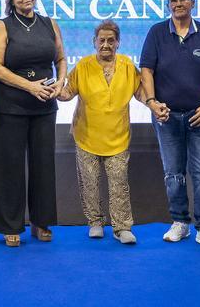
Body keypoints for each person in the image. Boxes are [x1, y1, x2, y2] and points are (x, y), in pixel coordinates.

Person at [139, 0, 200, 251]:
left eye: (183, 0)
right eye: (173, 1)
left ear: (192, 3)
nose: (178, 4)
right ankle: (180, 223)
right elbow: (146, 71)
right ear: (168, 5)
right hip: (167, 118)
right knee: (173, 173)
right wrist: (153, 103)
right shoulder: (156, 33)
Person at [0, 0, 66, 247]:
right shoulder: (2, 26)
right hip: (11, 105)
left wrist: (61, 81)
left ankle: (41, 223)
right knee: (9, 167)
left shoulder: (49, 23)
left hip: (45, 105)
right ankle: (11, 226)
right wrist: (29, 87)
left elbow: (61, 59)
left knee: (43, 166)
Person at [59, 19, 148, 245]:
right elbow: (69, 92)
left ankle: (122, 227)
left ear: (118, 42)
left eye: (111, 40)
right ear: (94, 42)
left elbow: (140, 92)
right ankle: (95, 223)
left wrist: (154, 105)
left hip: (118, 136)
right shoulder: (83, 65)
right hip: (87, 135)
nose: (106, 44)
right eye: (102, 40)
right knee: (89, 182)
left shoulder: (128, 65)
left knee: (119, 183)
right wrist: (57, 92)